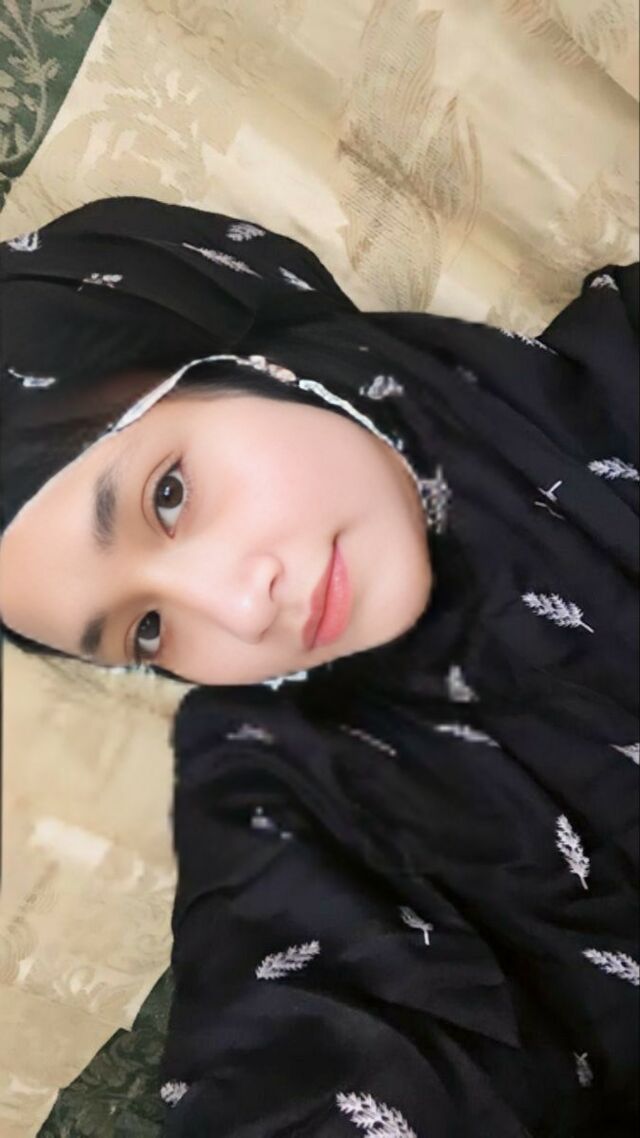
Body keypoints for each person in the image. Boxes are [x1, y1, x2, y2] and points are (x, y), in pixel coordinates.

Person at [1, 195, 638, 1137]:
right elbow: (299, 1030)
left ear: (246, 364)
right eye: (146, 630)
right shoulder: (291, 794)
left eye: (168, 496)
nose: (237, 610)